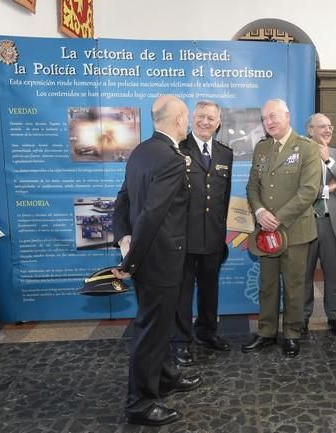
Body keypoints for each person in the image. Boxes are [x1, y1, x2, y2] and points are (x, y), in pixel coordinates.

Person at [112, 95, 202, 427]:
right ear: (179, 119)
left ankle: (164, 376)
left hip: (148, 257)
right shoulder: (172, 159)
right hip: (158, 258)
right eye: (187, 117)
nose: (188, 122)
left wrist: (123, 239)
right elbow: (151, 215)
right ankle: (140, 402)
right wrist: (130, 260)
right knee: (150, 331)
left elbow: (122, 200)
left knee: (160, 322)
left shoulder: (141, 151)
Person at [243, 98, 321, 358]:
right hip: (265, 231)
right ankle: (266, 332)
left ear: (287, 116)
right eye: (265, 118)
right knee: (267, 284)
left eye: (274, 116)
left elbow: (309, 191)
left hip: (295, 230)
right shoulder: (262, 148)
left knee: (294, 284)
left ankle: (291, 333)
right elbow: (252, 186)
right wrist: (260, 211)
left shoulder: (307, 148)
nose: (269, 122)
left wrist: (277, 217)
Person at [172, 100, 233, 367]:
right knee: (182, 293)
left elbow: (224, 197)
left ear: (218, 122)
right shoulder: (177, 149)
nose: (205, 122)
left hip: (213, 237)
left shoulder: (224, 154)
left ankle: (208, 333)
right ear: (192, 119)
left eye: (211, 118)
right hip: (184, 238)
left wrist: (222, 234)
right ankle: (181, 342)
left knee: (210, 289)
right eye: (201, 117)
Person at [302, 113, 336, 336]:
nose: (328, 130)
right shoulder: (300, 155)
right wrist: (327, 189)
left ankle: (334, 317)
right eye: (322, 126)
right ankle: (302, 317)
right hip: (305, 222)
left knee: (333, 273)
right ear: (310, 130)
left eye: (330, 127)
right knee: (303, 274)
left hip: (332, 223)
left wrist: (329, 161)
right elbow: (301, 191)